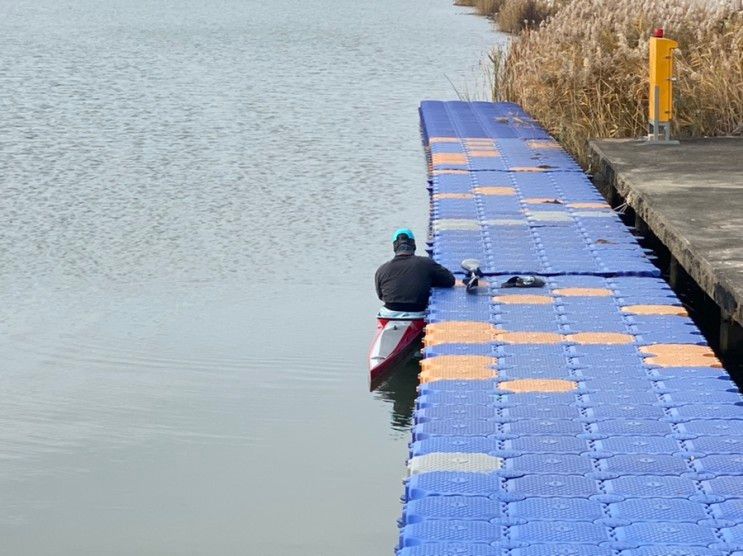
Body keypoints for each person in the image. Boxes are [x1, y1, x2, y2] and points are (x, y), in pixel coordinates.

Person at [375, 228, 455, 314]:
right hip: (417, 311)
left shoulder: (381, 269)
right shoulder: (427, 263)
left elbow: (380, 295)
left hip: (390, 312)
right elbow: (450, 280)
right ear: (413, 245)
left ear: (394, 246)